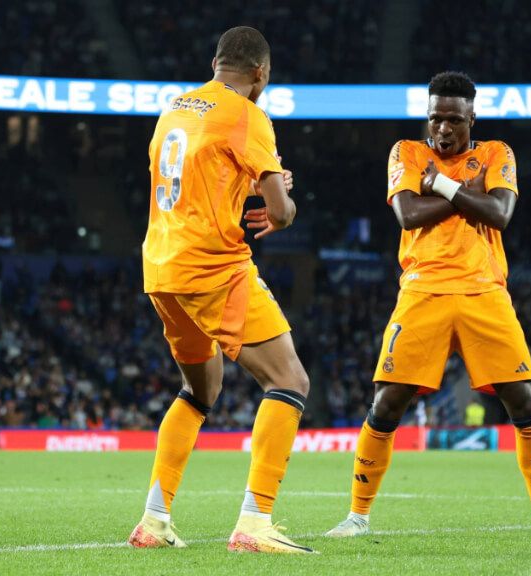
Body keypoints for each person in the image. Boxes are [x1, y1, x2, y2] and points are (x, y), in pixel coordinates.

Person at [326, 72, 531, 540]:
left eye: (454, 120)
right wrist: (467, 194)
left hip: (485, 290)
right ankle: (357, 516)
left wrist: (439, 186)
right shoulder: (405, 152)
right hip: (422, 290)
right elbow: (407, 214)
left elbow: (500, 215)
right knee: (387, 403)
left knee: (523, 401)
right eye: (436, 117)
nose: (443, 128)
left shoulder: (498, 153)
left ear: (472, 118)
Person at [128, 26, 314, 554]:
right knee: (290, 379)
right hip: (213, 267)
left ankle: (154, 521)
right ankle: (255, 523)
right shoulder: (248, 114)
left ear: (215, 63)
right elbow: (279, 211)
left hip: (161, 269)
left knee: (200, 391)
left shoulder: (176, 107)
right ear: (260, 74)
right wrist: (282, 209)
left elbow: (194, 176)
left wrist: (250, 182)